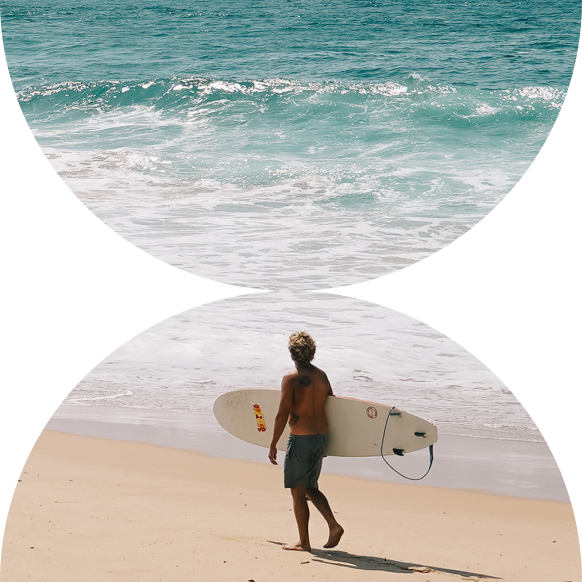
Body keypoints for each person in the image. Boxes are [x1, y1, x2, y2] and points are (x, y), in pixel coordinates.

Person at [268, 331, 344, 552]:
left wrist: (273, 444)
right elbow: (334, 406)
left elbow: (282, 414)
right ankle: (333, 525)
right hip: (321, 437)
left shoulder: (290, 379)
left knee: (298, 491)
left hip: (301, 439)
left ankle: (304, 542)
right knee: (309, 486)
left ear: (292, 352)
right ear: (312, 352)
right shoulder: (322, 376)